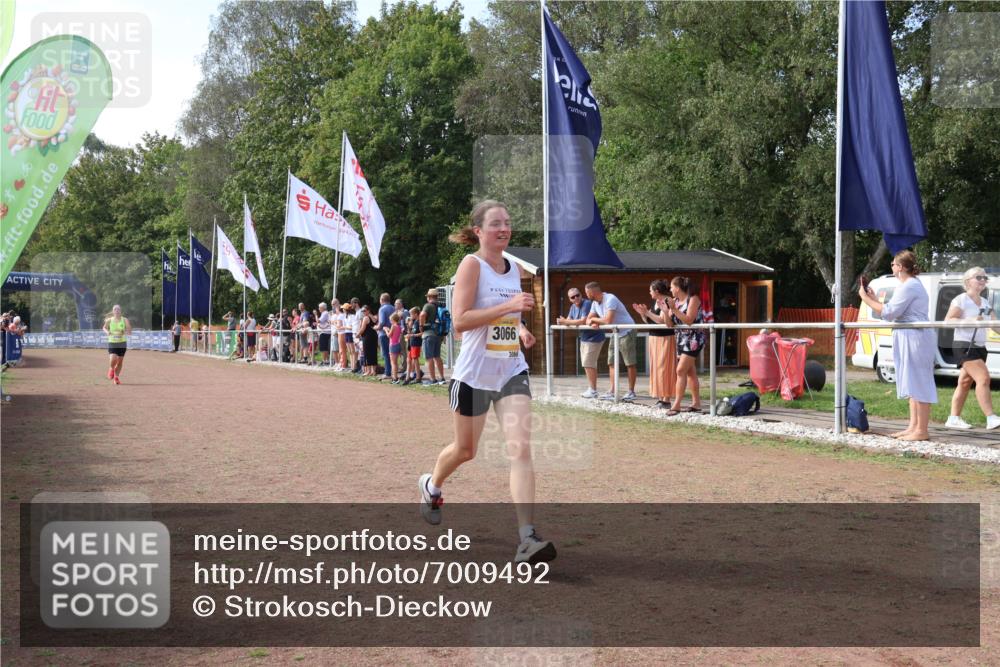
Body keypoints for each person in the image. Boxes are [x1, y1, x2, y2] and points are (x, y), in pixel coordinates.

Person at [418, 199, 556, 565]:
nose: (504, 228)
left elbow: (508, 313)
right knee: (466, 450)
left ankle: (527, 537)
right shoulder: (471, 265)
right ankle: (432, 485)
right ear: (478, 231)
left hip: (510, 370)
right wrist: (508, 306)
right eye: (496, 223)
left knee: (521, 450)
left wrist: (520, 329)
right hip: (474, 375)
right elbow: (461, 321)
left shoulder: (514, 268)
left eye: (507, 222)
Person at [858, 250, 937, 441]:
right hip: (908, 336)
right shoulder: (908, 285)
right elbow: (893, 311)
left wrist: (865, 299)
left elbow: (890, 312)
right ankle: (913, 427)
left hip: (915, 337)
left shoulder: (909, 285)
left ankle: (922, 430)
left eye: (893, 264)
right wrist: (875, 300)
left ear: (900, 267)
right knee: (911, 381)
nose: (891, 267)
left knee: (919, 381)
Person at [944, 267, 1000, 430]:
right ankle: (991, 417)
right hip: (964, 345)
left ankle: (953, 418)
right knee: (983, 378)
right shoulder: (961, 300)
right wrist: (969, 320)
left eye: (984, 278)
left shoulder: (985, 303)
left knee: (964, 382)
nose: (983, 280)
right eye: (979, 277)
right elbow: (948, 320)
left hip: (980, 347)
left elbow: (994, 324)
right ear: (968, 281)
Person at [585, 281, 637, 401]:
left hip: (627, 331)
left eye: (587, 293)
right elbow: (588, 319)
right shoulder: (594, 303)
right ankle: (612, 391)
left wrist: (594, 320)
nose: (586, 295)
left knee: (630, 363)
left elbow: (608, 320)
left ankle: (631, 392)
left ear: (593, 292)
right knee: (611, 362)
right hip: (615, 332)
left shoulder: (610, 299)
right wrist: (593, 322)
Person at [662, 276, 705, 414]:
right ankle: (696, 404)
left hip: (694, 339)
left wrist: (674, 309)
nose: (670, 290)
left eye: (671, 287)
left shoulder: (693, 299)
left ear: (677, 288)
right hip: (681, 339)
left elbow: (689, 320)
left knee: (680, 370)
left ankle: (676, 405)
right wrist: (665, 311)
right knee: (690, 372)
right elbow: (669, 324)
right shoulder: (674, 302)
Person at [633, 279, 677, 408]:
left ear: (657, 291)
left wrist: (647, 312)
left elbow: (662, 321)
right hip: (654, 338)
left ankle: (666, 399)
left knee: (665, 368)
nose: (649, 292)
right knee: (657, 368)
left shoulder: (667, 300)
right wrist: (643, 314)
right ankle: (660, 397)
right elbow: (650, 322)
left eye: (650, 290)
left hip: (665, 338)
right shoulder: (656, 302)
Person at [557, 287, 605, 398]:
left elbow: (582, 321)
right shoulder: (573, 307)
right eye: (572, 297)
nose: (576, 298)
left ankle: (593, 390)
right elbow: (568, 320)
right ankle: (592, 389)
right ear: (570, 299)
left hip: (594, 337)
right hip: (584, 338)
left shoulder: (587, 304)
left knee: (588, 363)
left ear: (581, 295)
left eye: (577, 295)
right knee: (587, 364)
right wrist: (564, 321)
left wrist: (565, 321)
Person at [420, 288, 447, 385]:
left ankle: (433, 379)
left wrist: (421, 326)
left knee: (429, 357)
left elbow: (422, 315)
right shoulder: (441, 306)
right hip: (438, 335)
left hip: (428, 334)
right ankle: (442, 378)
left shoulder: (428, 305)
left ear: (430, 297)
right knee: (437, 356)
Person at [102, 305, 132, 384]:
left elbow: (129, 331)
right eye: (115, 309)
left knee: (120, 362)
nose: (117, 310)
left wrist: (124, 331)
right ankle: (111, 368)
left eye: (118, 309)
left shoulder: (125, 320)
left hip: (122, 343)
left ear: (120, 311)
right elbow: (104, 328)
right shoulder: (109, 320)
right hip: (112, 342)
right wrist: (107, 332)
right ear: (113, 311)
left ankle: (116, 378)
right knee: (113, 359)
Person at [404, 306, 424, 385]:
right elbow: (410, 332)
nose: (410, 316)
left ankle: (418, 377)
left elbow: (421, 333)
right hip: (411, 343)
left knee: (415, 359)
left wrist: (412, 335)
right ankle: (407, 378)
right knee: (409, 360)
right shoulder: (414, 322)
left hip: (416, 343)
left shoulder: (419, 322)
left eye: (411, 314)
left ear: (415, 314)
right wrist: (408, 325)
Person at [359, 305, 379, 376]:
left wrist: (357, 334)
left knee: (367, 353)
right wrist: (369, 314)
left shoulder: (366, 318)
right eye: (362, 311)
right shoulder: (373, 316)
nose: (363, 312)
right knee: (373, 353)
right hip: (373, 336)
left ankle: (369, 371)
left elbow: (362, 329)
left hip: (367, 337)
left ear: (368, 310)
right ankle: (373, 371)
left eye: (364, 311)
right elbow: (375, 321)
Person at [377, 293, 395, 379]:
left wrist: (377, 327)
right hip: (393, 333)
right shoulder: (393, 308)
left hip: (384, 333)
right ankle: (393, 372)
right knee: (392, 353)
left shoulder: (382, 309)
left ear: (382, 300)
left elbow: (382, 322)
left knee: (386, 354)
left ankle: (388, 373)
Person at [388, 312, 403, 383]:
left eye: (391, 320)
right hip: (397, 344)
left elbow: (389, 335)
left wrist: (385, 330)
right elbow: (394, 334)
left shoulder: (393, 326)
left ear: (393, 320)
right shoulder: (399, 327)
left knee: (393, 363)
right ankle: (395, 377)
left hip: (393, 345)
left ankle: (395, 378)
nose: (390, 321)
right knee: (395, 362)